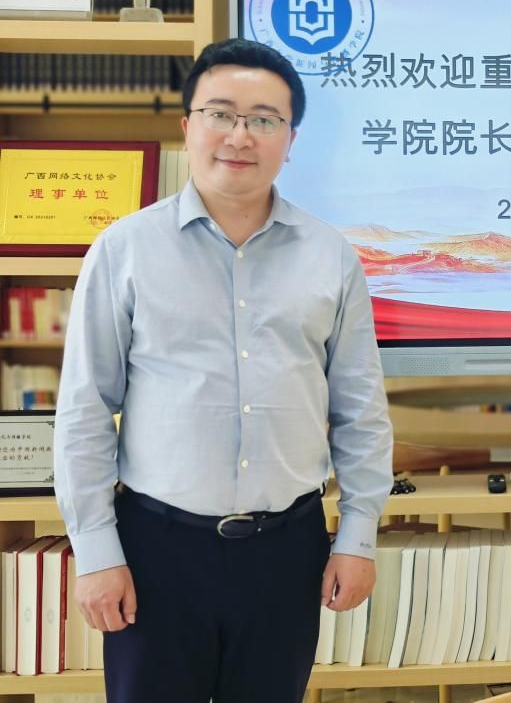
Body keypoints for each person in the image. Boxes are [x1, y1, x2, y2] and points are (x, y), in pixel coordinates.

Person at [54, 38, 394, 703]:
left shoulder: (331, 257)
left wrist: (358, 537)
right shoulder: (124, 250)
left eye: (264, 119)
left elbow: (360, 408)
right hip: (157, 549)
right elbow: (86, 410)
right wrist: (96, 552)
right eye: (221, 114)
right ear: (188, 126)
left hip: (287, 548)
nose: (240, 135)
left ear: (290, 140)